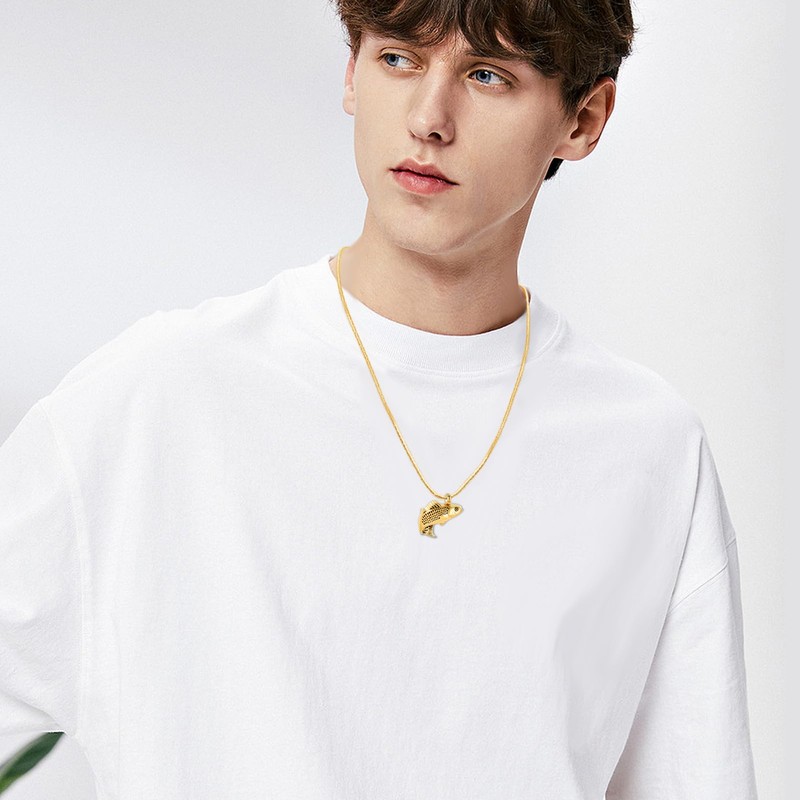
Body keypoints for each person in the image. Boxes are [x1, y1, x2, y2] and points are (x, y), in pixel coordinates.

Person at [0, 0, 759, 797]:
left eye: (487, 75)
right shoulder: (160, 398)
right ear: (352, 73)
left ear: (584, 119)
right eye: (398, 58)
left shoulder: (645, 447)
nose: (429, 119)